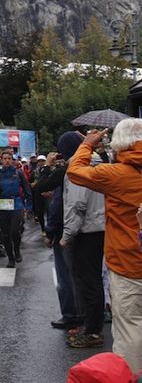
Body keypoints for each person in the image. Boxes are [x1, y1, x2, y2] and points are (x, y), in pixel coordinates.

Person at [66, 120, 142, 372]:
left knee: (129, 326)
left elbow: (75, 171)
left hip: (129, 262)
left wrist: (87, 145)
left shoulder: (116, 175)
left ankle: (128, 375)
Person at [60, 143, 106, 348]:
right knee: (94, 280)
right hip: (99, 228)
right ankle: (93, 327)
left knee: (87, 283)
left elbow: (76, 206)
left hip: (85, 231)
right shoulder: (101, 166)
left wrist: (67, 235)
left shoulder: (79, 170)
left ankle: (92, 331)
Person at [35, 150, 82, 331]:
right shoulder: (92, 167)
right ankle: (90, 315)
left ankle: (71, 315)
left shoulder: (66, 171)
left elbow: (43, 190)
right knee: (84, 275)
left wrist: (49, 232)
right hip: (89, 230)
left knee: (65, 275)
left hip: (66, 230)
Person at [0, 150, 32, 267]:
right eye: (4, 158)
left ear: (12, 160)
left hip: (16, 203)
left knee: (15, 231)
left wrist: (29, 206)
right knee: (5, 234)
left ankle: (17, 249)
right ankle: (10, 258)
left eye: (9, 158)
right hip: (3, 204)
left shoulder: (18, 173)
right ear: (1, 160)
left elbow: (26, 189)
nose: (7, 160)